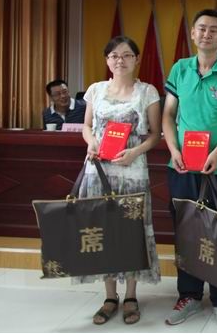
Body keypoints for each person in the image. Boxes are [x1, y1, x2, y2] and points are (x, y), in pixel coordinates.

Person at [162, 8, 217, 327]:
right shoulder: (180, 69)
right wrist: (174, 149)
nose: (206, 34)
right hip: (182, 166)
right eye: (201, 28)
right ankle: (188, 295)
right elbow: (168, 114)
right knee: (186, 231)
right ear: (193, 33)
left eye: (214, 29)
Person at [79, 36, 162, 325]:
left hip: (132, 172)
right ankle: (110, 296)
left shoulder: (147, 92)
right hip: (98, 171)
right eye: (114, 55)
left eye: (126, 55)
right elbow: (87, 126)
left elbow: (155, 134)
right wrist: (91, 142)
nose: (120, 60)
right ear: (107, 60)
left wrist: (135, 152)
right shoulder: (95, 90)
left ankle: (131, 296)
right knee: (103, 231)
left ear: (136, 59)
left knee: (131, 232)